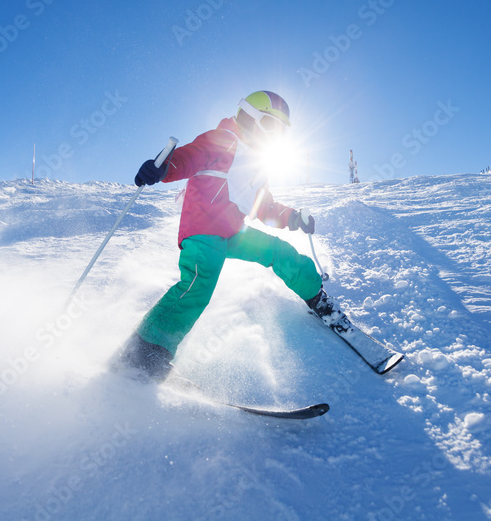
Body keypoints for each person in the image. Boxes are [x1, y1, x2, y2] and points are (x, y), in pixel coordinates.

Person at [116, 90, 335, 381]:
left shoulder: (259, 163)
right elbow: (189, 157)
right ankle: (144, 351)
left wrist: (293, 217)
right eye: (270, 126)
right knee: (199, 282)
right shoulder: (221, 139)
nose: (273, 137)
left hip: (234, 232)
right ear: (251, 116)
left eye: (280, 133)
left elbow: (264, 206)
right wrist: (163, 168)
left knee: (279, 251)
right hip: (203, 231)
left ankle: (315, 295)